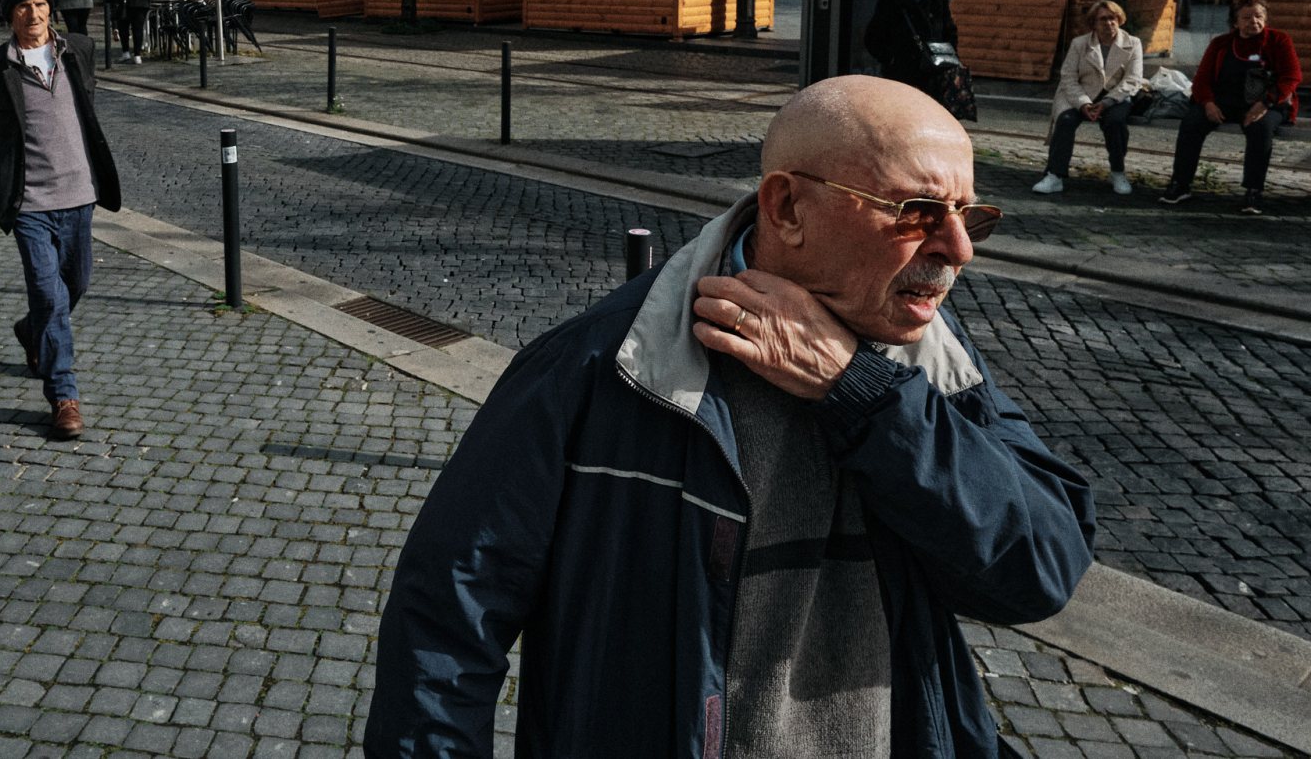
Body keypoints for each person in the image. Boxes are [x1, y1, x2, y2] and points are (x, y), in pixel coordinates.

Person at [367, 75, 1095, 758]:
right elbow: (447, 621)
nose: (958, 249)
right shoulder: (601, 367)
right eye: (917, 212)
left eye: (971, 216)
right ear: (787, 208)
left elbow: (1039, 569)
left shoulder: (935, 362)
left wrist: (861, 391)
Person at [0, 0, 121, 440]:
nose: (33, 14)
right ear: (9, 14)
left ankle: (32, 330)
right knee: (50, 296)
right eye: (23, 7)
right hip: (30, 203)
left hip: (79, 195)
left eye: (40, 4)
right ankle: (64, 396)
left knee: (77, 284)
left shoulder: (78, 50)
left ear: (51, 9)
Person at [1160, 0, 1301, 215]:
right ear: (1235, 22)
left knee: (1260, 128)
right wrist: (1208, 103)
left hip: (1269, 103)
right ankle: (1180, 184)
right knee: (1192, 122)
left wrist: (1264, 104)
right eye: (1246, 17)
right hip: (1224, 102)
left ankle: (1253, 190)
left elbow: (1291, 77)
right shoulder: (1221, 44)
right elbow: (1202, 79)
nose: (1253, 21)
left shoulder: (1279, 40)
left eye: (1259, 16)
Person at [1032, 0, 1144, 196]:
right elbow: (1068, 76)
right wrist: (1083, 104)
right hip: (1080, 93)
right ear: (1093, 23)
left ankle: (1118, 172)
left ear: (1119, 19)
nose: (1109, 23)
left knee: (1115, 122)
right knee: (1065, 120)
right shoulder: (1079, 44)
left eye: (1112, 18)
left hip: (1115, 96)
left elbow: (1133, 79)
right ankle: (1055, 175)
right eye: (1103, 19)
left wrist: (1107, 102)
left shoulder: (1133, 43)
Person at [864, 0, 959, 97]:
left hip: (933, 73)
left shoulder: (938, 0)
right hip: (901, 74)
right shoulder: (889, 1)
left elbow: (950, 32)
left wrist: (948, 58)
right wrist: (890, 59)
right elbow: (872, 37)